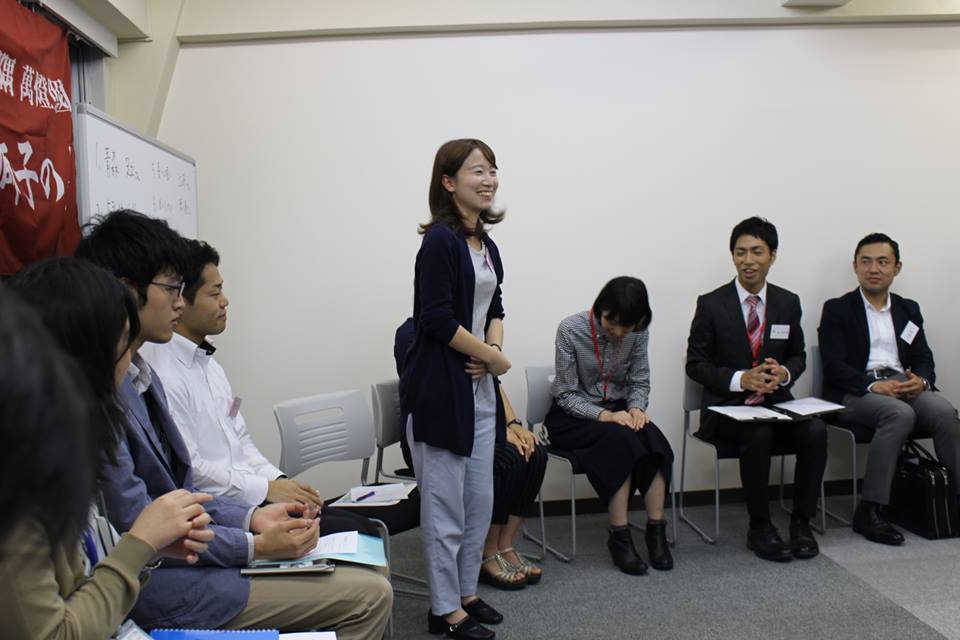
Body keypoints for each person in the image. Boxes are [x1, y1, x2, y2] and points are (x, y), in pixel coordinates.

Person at [76, 210, 392, 637]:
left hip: (200, 541)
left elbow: (204, 468)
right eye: (172, 288)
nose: (179, 302)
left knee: (363, 568)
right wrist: (253, 539)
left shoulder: (144, 376)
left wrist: (252, 516)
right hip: (163, 582)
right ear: (125, 291)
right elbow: (144, 519)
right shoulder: (114, 387)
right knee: (367, 593)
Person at [1, 260, 215, 640]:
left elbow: (92, 582)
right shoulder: (20, 491)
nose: (129, 367)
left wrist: (149, 549)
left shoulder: (60, 452)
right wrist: (140, 545)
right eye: (123, 350)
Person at [141, 239, 378, 536]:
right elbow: (194, 470)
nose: (225, 301)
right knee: (357, 534)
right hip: (225, 511)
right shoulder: (163, 375)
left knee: (359, 527)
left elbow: (241, 441)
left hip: (254, 495)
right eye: (215, 292)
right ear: (182, 301)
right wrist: (266, 489)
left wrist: (280, 482)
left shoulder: (210, 367)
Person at [399, 139, 512, 640]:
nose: (488, 180)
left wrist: (491, 353)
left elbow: (496, 307)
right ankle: (444, 610)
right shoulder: (440, 242)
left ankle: (466, 593)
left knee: (478, 501)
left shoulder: (485, 245)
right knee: (445, 507)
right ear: (448, 182)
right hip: (443, 391)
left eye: (492, 171)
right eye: (476, 172)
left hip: (479, 390)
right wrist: (493, 358)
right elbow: (436, 319)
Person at [686, 217, 826, 562]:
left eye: (757, 252)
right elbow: (695, 364)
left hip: (775, 406)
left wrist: (785, 373)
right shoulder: (711, 304)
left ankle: (801, 522)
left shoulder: (787, 302)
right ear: (732, 256)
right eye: (740, 252)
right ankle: (760, 525)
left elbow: (798, 355)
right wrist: (740, 379)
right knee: (758, 433)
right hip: (726, 410)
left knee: (815, 431)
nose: (748, 260)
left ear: (772, 256)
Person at [818, 232, 960, 545]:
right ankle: (870, 510)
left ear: (897, 268)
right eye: (866, 262)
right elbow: (834, 365)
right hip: (854, 392)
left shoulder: (909, 309)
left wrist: (920, 381)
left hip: (902, 385)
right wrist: (872, 385)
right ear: (855, 266)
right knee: (898, 415)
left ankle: (953, 499)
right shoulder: (838, 309)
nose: (874, 269)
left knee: (945, 412)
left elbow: (924, 357)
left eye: (883, 262)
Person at [397, 317, 545, 589]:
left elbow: (492, 384)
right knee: (507, 461)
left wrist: (511, 425)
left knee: (534, 452)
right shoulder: (412, 334)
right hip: (437, 434)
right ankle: (487, 551)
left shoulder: (470, 329)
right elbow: (443, 390)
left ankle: (505, 544)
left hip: (478, 427)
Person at [545, 276, 674, 575]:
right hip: (573, 417)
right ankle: (620, 536)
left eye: (625, 327)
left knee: (655, 442)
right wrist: (604, 416)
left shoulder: (638, 332)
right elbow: (565, 394)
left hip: (618, 411)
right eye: (610, 323)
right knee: (621, 442)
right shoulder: (570, 329)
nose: (617, 332)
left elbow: (640, 379)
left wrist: (636, 408)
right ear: (599, 309)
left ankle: (656, 531)